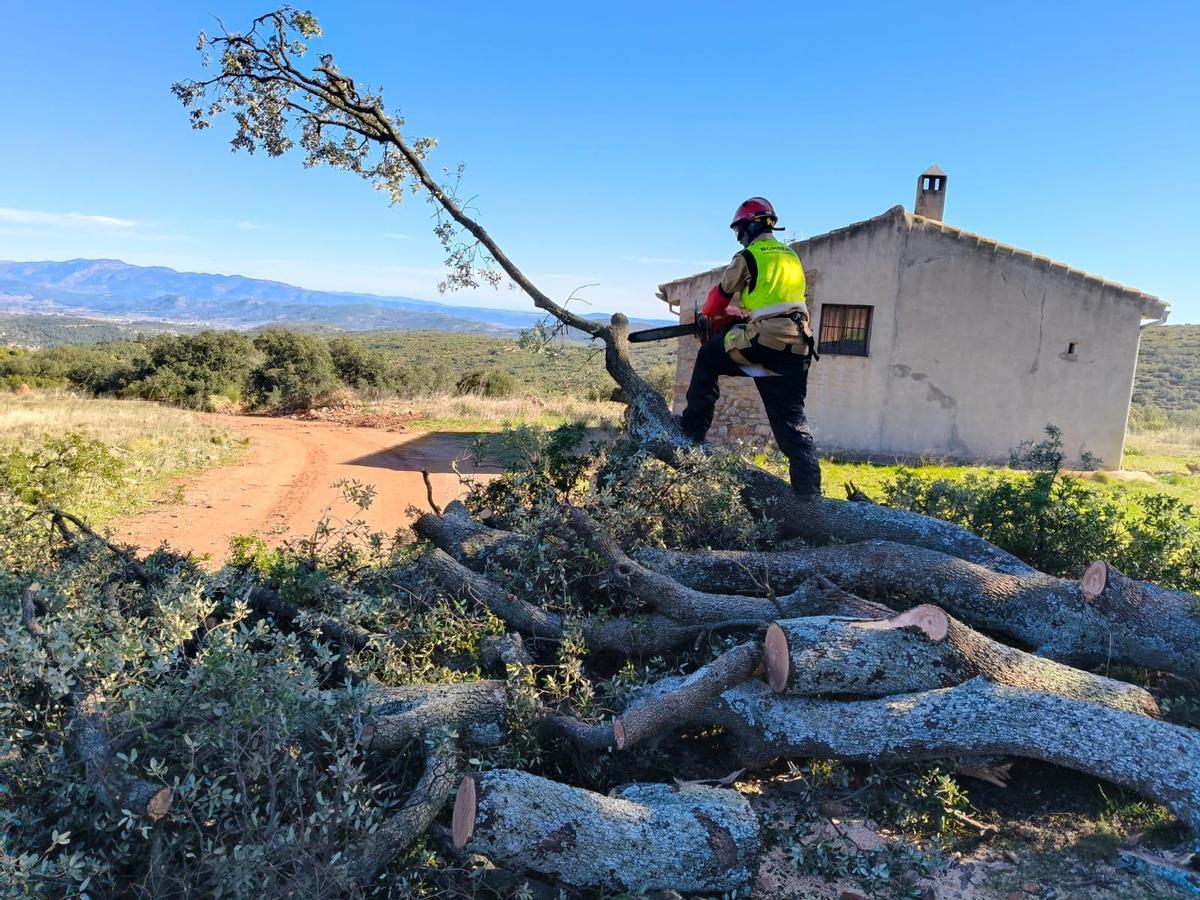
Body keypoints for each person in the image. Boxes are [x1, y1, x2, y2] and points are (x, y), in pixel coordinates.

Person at [679, 197, 822, 499]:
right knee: (791, 420)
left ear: (747, 227)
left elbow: (717, 300)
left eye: (739, 231)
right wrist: (743, 315)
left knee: (708, 358)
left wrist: (710, 317)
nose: (739, 237)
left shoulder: (749, 257)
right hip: (799, 344)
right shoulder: (791, 257)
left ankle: (691, 431)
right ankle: (809, 495)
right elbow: (779, 304)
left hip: (766, 339)